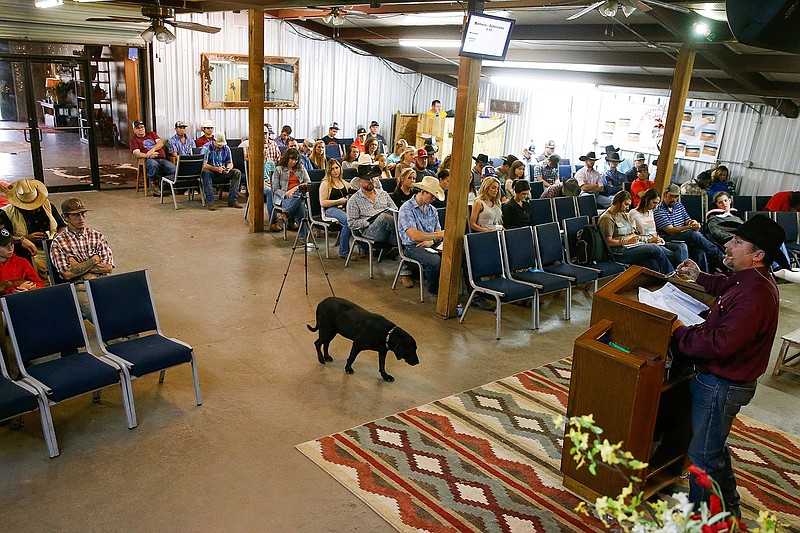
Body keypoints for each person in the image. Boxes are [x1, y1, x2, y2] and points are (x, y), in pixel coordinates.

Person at [671, 214, 788, 517]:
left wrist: (679, 331)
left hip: (721, 384)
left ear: (757, 255)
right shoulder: (751, 280)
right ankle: (729, 506)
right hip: (723, 382)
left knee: (703, 457)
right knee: (714, 448)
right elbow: (727, 286)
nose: (728, 244)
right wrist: (699, 276)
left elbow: (719, 344)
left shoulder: (755, 295)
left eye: (737, 242)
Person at [49, 197, 114, 319]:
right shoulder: (58, 243)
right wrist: (94, 259)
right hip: (78, 286)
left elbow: (108, 267)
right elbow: (67, 274)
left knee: (125, 302)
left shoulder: (97, 236)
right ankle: (114, 336)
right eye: (76, 215)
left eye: (83, 214)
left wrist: (78, 265)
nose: (81, 218)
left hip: (101, 282)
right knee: (95, 312)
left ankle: (129, 335)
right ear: (65, 217)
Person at [0, 179, 66, 281]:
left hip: (53, 245)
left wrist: (58, 236)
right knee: (38, 265)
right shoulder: (6, 213)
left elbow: (62, 226)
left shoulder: (48, 206)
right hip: (29, 251)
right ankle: (45, 287)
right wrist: (25, 238)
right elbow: (4, 237)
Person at [598, 191, 673, 274]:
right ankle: (671, 274)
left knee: (652, 263)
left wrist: (629, 238)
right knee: (654, 248)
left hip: (630, 245)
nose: (627, 208)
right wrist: (626, 241)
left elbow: (632, 233)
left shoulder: (621, 214)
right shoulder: (607, 218)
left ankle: (664, 278)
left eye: (628, 205)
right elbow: (607, 242)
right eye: (626, 204)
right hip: (618, 251)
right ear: (618, 202)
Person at [654, 184, 724, 272]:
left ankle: (703, 278)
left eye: (676, 197)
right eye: (671, 196)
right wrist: (689, 227)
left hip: (683, 235)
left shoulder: (679, 206)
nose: (673, 199)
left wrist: (693, 223)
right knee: (693, 234)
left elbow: (687, 220)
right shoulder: (658, 211)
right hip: (669, 238)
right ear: (665, 195)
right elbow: (671, 231)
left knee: (700, 252)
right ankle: (718, 256)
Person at [397, 176, 446, 293]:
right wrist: (435, 236)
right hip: (412, 247)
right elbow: (414, 236)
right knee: (435, 261)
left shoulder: (432, 210)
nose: (434, 199)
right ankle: (434, 291)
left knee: (460, 254)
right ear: (423, 192)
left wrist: (432, 241)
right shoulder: (407, 209)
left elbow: (439, 234)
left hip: (430, 244)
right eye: (432, 195)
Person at [629, 187, 688, 268]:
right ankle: (678, 273)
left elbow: (653, 231)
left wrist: (658, 238)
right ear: (646, 200)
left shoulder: (651, 212)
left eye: (657, 203)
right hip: (647, 243)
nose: (655, 206)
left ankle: (681, 273)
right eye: (654, 203)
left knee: (682, 246)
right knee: (674, 255)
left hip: (658, 241)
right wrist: (649, 240)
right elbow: (632, 235)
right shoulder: (634, 214)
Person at [346, 163, 397, 250]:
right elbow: (351, 224)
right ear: (360, 182)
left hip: (388, 229)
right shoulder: (354, 200)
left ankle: (406, 242)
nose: (370, 182)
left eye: (371, 179)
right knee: (384, 217)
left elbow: (395, 210)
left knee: (398, 219)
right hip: (369, 231)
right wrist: (369, 221)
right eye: (366, 179)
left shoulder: (383, 194)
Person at [318, 159, 353, 259]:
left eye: (337, 168)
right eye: (332, 169)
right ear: (329, 171)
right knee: (349, 221)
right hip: (330, 209)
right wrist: (338, 201)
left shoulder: (343, 182)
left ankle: (364, 248)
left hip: (344, 208)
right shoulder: (325, 183)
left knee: (358, 218)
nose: (335, 171)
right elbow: (323, 202)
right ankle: (344, 252)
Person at [129, 120, 175, 194]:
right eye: (138, 128)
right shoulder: (134, 140)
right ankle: (154, 185)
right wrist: (148, 155)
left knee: (174, 169)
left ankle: (166, 185)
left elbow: (160, 143)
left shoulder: (151, 134)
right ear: (134, 130)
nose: (141, 129)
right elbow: (137, 153)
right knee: (153, 165)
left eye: (142, 127)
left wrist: (152, 149)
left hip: (162, 158)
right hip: (149, 159)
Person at [272, 148, 310, 236]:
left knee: (300, 199)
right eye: (292, 159)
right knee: (302, 207)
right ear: (287, 158)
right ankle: (304, 236)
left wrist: (296, 188)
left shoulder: (301, 168)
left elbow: (308, 182)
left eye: (296, 160)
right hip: (285, 197)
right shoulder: (279, 169)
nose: (294, 162)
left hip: (299, 193)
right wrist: (286, 193)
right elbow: (275, 189)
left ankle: (287, 213)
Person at [200, 133, 243, 211]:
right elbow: (203, 165)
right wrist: (216, 169)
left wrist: (228, 169)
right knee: (205, 173)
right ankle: (210, 201)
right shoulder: (206, 148)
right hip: (211, 171)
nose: (221, 146)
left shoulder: (226, 148)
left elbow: (230, 163)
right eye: (219, 144)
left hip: (222, 170)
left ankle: (232, 200)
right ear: (214, 141)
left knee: (237, 172)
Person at [0, 227, 44, 295]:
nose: (10, 248)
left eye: (11, 244)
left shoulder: (22, 262)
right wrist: (16, 289)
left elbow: (40, 285)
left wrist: (28, 290)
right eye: (4, 245)